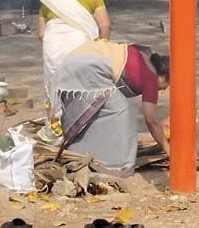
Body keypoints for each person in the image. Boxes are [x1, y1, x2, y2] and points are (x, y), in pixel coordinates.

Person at [51, 38, 171, 176]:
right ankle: (116, 167)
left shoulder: (143, 54)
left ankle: (84, 154)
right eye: (167, 85)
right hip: (88, 68)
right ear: (163, 76)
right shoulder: (151, 79)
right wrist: (169, 151)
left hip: (74, 62)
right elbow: (151, 120)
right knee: (123, 114)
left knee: (101, 112)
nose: (164, 89)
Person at [39, 0, 111, 115]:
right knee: (82, 85)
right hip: (80, 44)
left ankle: (56, 124)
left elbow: (41, 33)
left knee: (54, 86)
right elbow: (105, 26)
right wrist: (101, 48)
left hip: (53, 47)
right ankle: (82, 121)